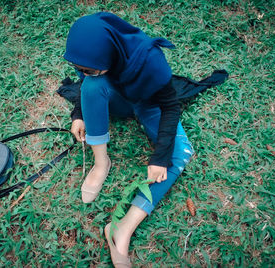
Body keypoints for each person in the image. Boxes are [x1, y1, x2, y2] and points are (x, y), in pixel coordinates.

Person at [62, 12, 227, 267]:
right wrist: (79, 114)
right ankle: (101, 163)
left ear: (110, 52)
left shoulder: (150, 60)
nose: (83, 72)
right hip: (119, 99)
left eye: (88, 68)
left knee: (180, 151)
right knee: (91, 87)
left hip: (150, 104)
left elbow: (171, 107)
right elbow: (86, 82)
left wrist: (160, 157)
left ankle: (122, 229)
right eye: (79, 68)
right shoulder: (94, 61)